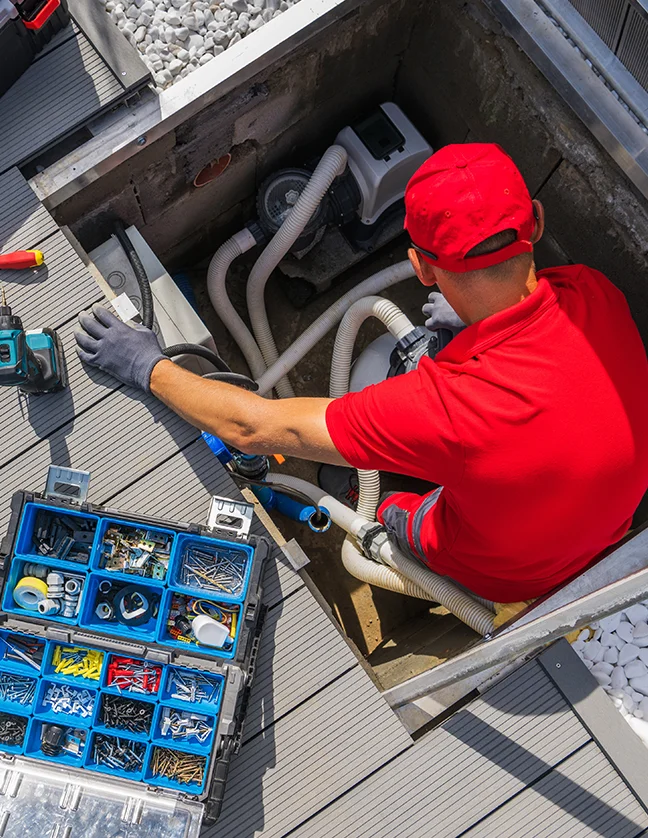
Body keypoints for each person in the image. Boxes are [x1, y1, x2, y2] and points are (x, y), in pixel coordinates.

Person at [75, 143, 648, 603]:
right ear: (537, 221)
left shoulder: (445, 410)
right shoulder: (592, 292)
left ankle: (359, 499)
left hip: (510, 576)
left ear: (421, 266)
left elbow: (253, 429)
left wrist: (147, 366)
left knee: (397, 509)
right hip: (610, 532)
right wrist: (467, 325)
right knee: (425, 369)